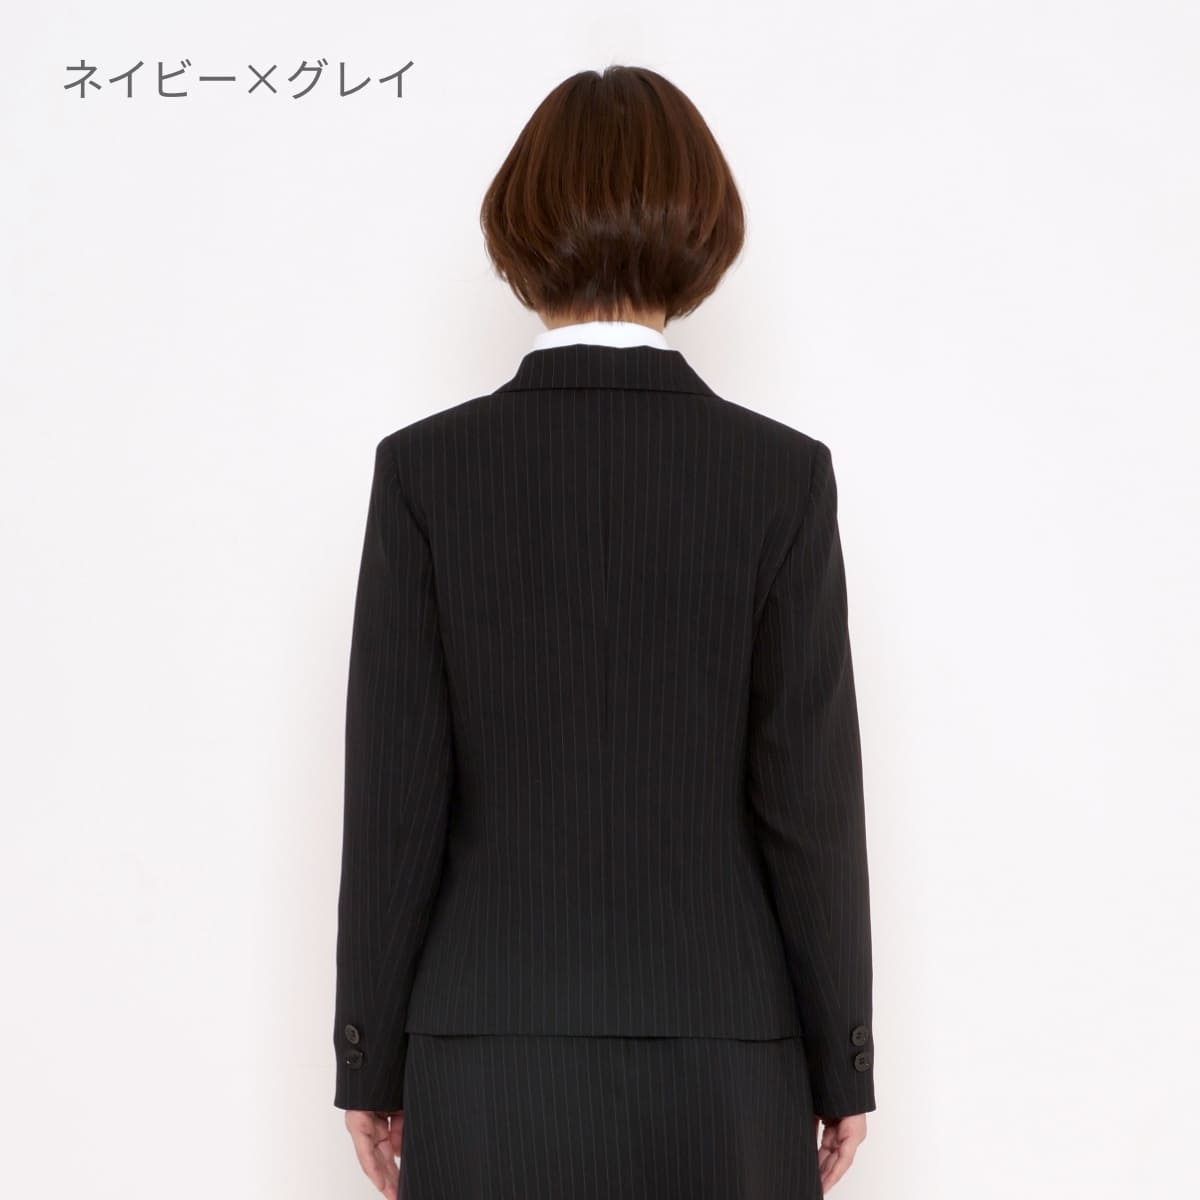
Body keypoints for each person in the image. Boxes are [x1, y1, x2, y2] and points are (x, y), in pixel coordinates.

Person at [331, 64, 877, 1200]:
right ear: (702, 227)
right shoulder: (779, 477)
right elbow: (806, 802)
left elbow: (395, 798)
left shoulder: (427, 472)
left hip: (486, 1051)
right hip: (728, 1058)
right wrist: (844, 1063)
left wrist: (367, 1060)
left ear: (520, 225)